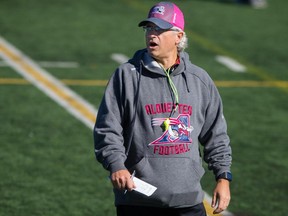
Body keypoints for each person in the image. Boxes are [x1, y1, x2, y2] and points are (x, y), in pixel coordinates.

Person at [94, 2, 232, 216]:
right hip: (137, 201)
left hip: (188, 201)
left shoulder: (199, 80)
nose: (152, 34)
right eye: (149, 28)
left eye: (159, 29)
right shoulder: (126, 76)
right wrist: (116, 165)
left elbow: (216, 135)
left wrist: (223, 177)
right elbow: (107, 128)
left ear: (179, 36)